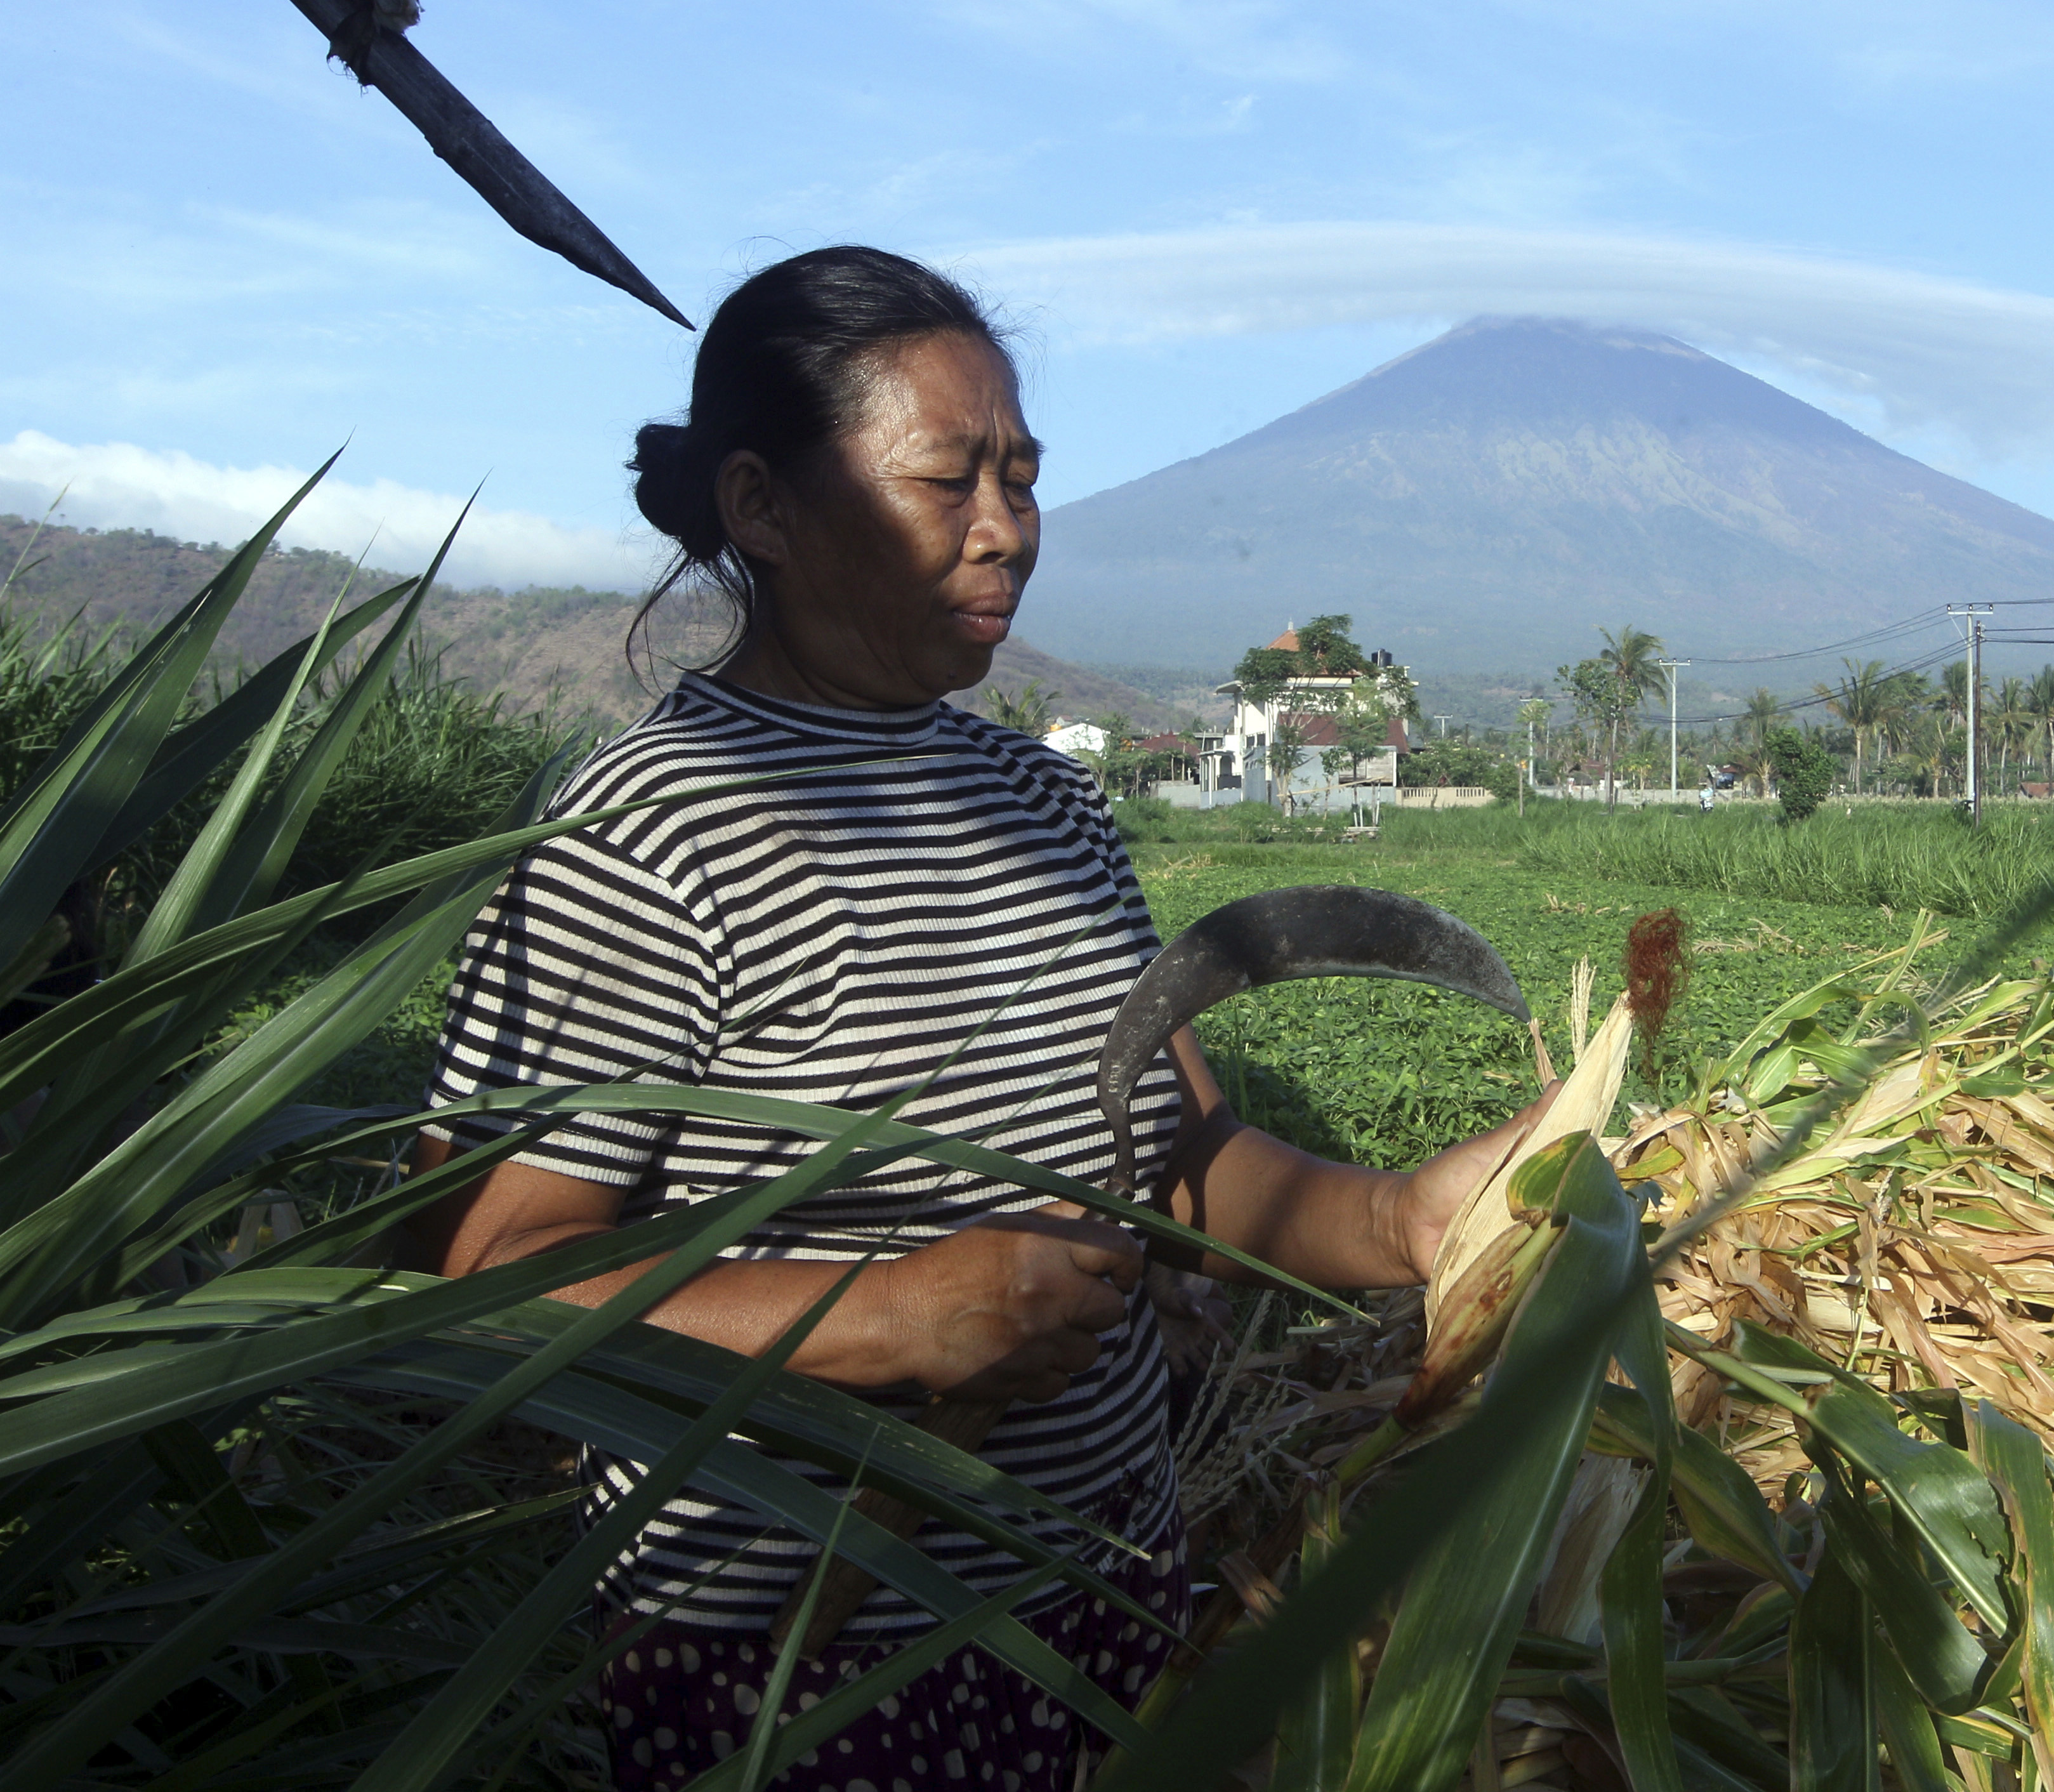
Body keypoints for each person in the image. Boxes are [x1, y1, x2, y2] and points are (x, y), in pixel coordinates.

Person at [410, 248, 1544, 1791]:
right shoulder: (649, 835)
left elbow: (1179, 1158)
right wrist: (886, 1317)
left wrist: (1406, 1216)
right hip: (807, 1654)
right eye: (946, 479)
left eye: (1021, 475)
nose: (1005, 525)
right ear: (761, 506)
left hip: (1102, 1597)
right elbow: (488, 1287)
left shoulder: (1043, 802)